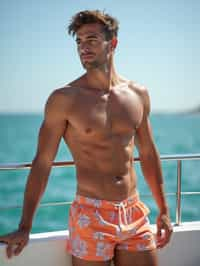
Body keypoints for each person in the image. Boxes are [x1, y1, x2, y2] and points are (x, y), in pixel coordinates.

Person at [0, 10, 173, 266]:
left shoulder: (137, 94)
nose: (83, 47)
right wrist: (25, 226)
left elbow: (148, 152)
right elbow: (43, 162)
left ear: (112, 43)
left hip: (134, 211)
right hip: (90, 215)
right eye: (79, 41)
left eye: (91, 39)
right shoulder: (64, 99)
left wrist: (164, 211)